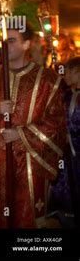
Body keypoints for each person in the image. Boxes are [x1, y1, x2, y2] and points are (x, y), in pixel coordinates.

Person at [0, 27, 66, 228]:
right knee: (1, 216)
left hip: (31, 161)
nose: (5, 45)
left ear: (27, 44)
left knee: (27, 217)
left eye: (11, 41)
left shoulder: (47, 79)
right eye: (4, 40)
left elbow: (57, 121)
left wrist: (20, 134)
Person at [49, 56, 80, 227]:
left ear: (77, 72)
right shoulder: (66, 95)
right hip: (67, 154)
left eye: (67, 72)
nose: (64, 76)